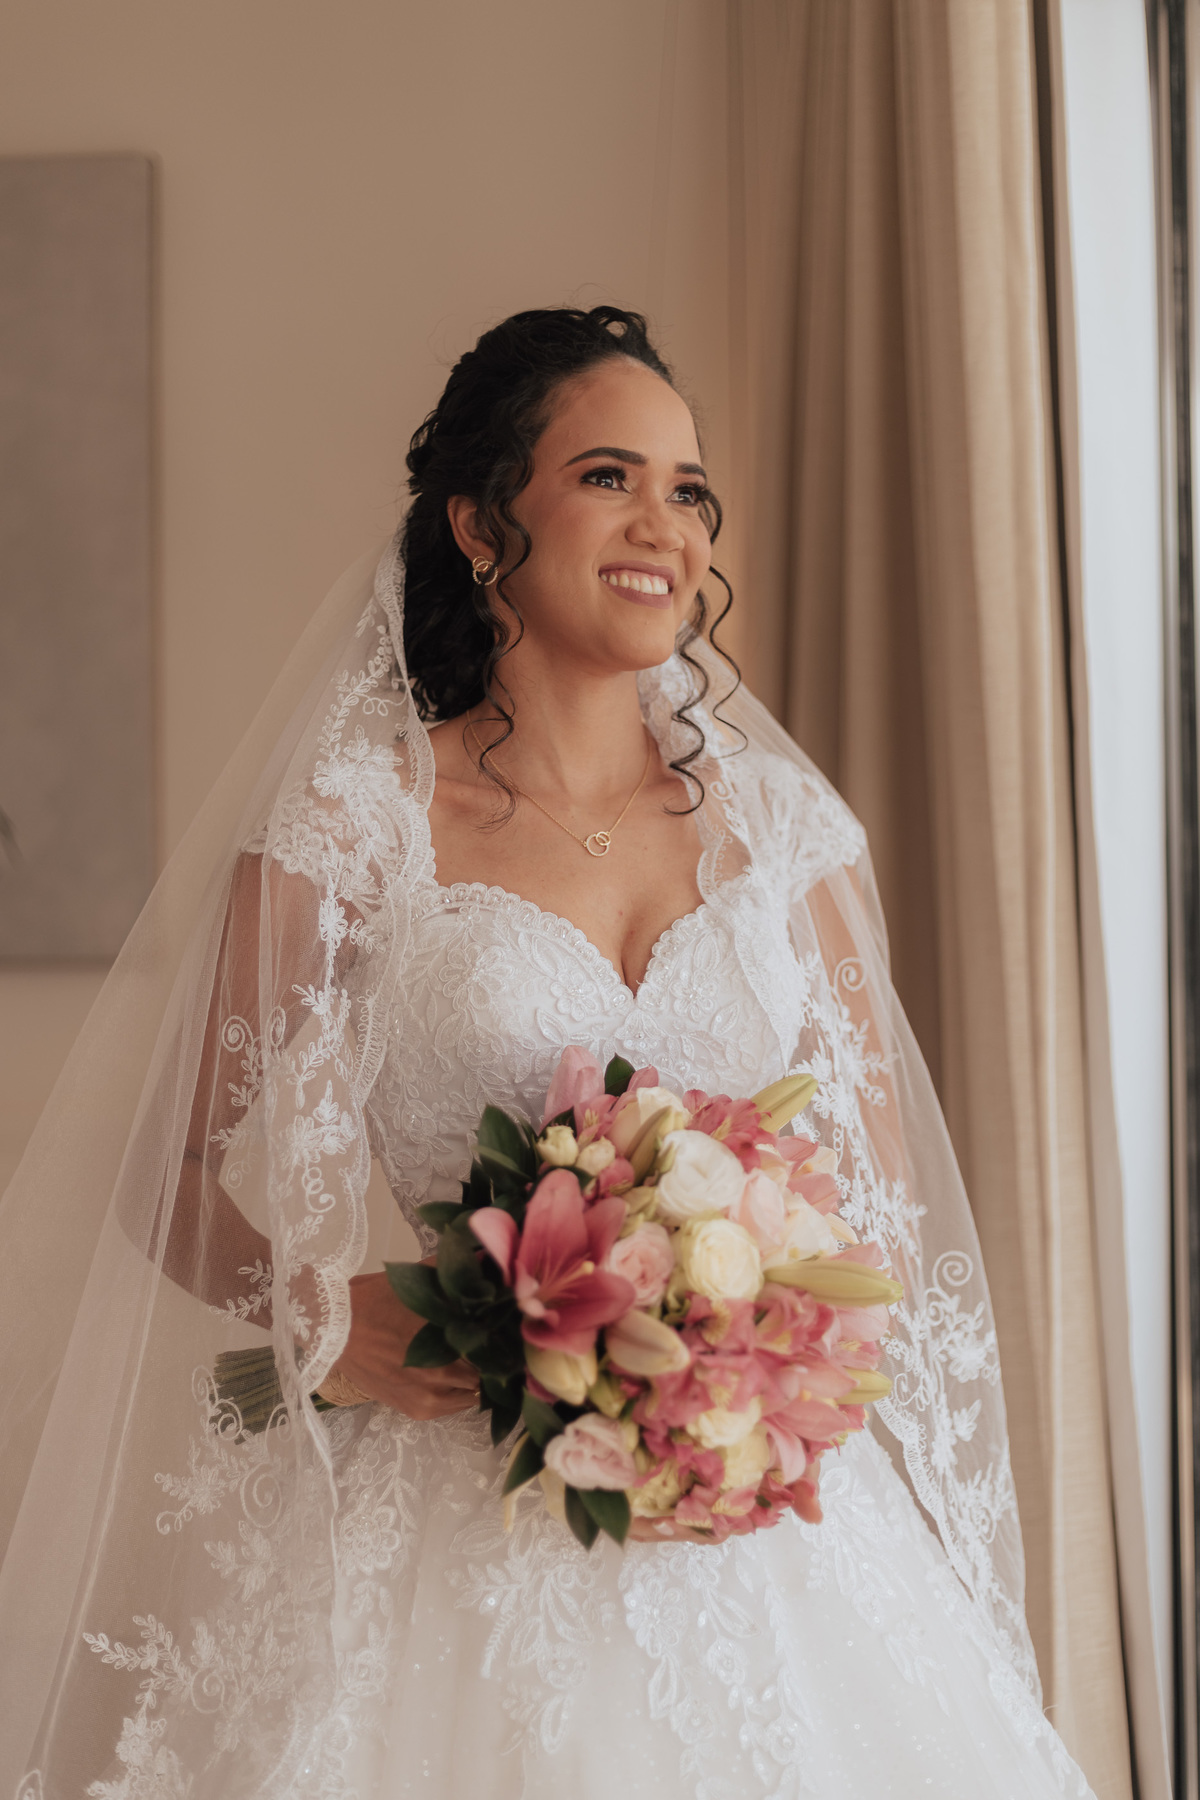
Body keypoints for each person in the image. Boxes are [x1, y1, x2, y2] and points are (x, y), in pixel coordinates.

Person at [0, 306, 1096, 1798]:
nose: (665, 526)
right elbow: (162, 1161)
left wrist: (756, 1357)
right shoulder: (362, 825)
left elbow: (876, 1215)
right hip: (463, 1531)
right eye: (607, 477)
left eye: (688, 489)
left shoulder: (786, 837)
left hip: (760, 1527)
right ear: (479, 526)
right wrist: (320, 1309)